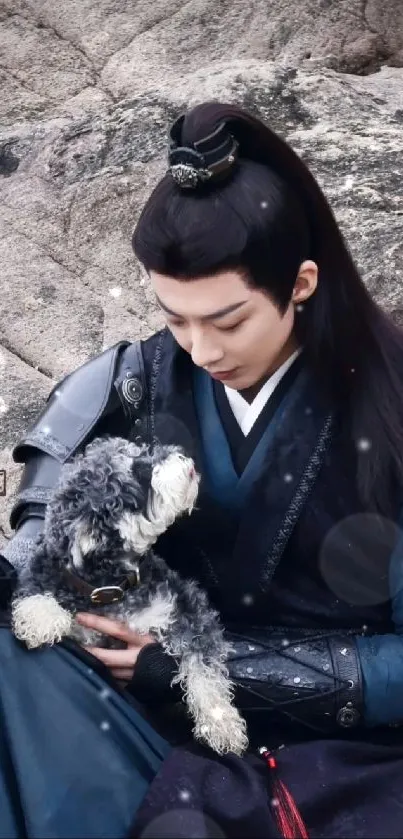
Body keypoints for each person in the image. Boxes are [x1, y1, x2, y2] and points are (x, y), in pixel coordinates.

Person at [3, 99, 403, 838]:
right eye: (174, 316)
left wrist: (206, 666)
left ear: (301, 283)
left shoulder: (390, 405)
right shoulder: (130, 384)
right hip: (152, 724)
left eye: (226, 321)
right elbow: (39, 543)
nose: (200, 349)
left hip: (342, 759)